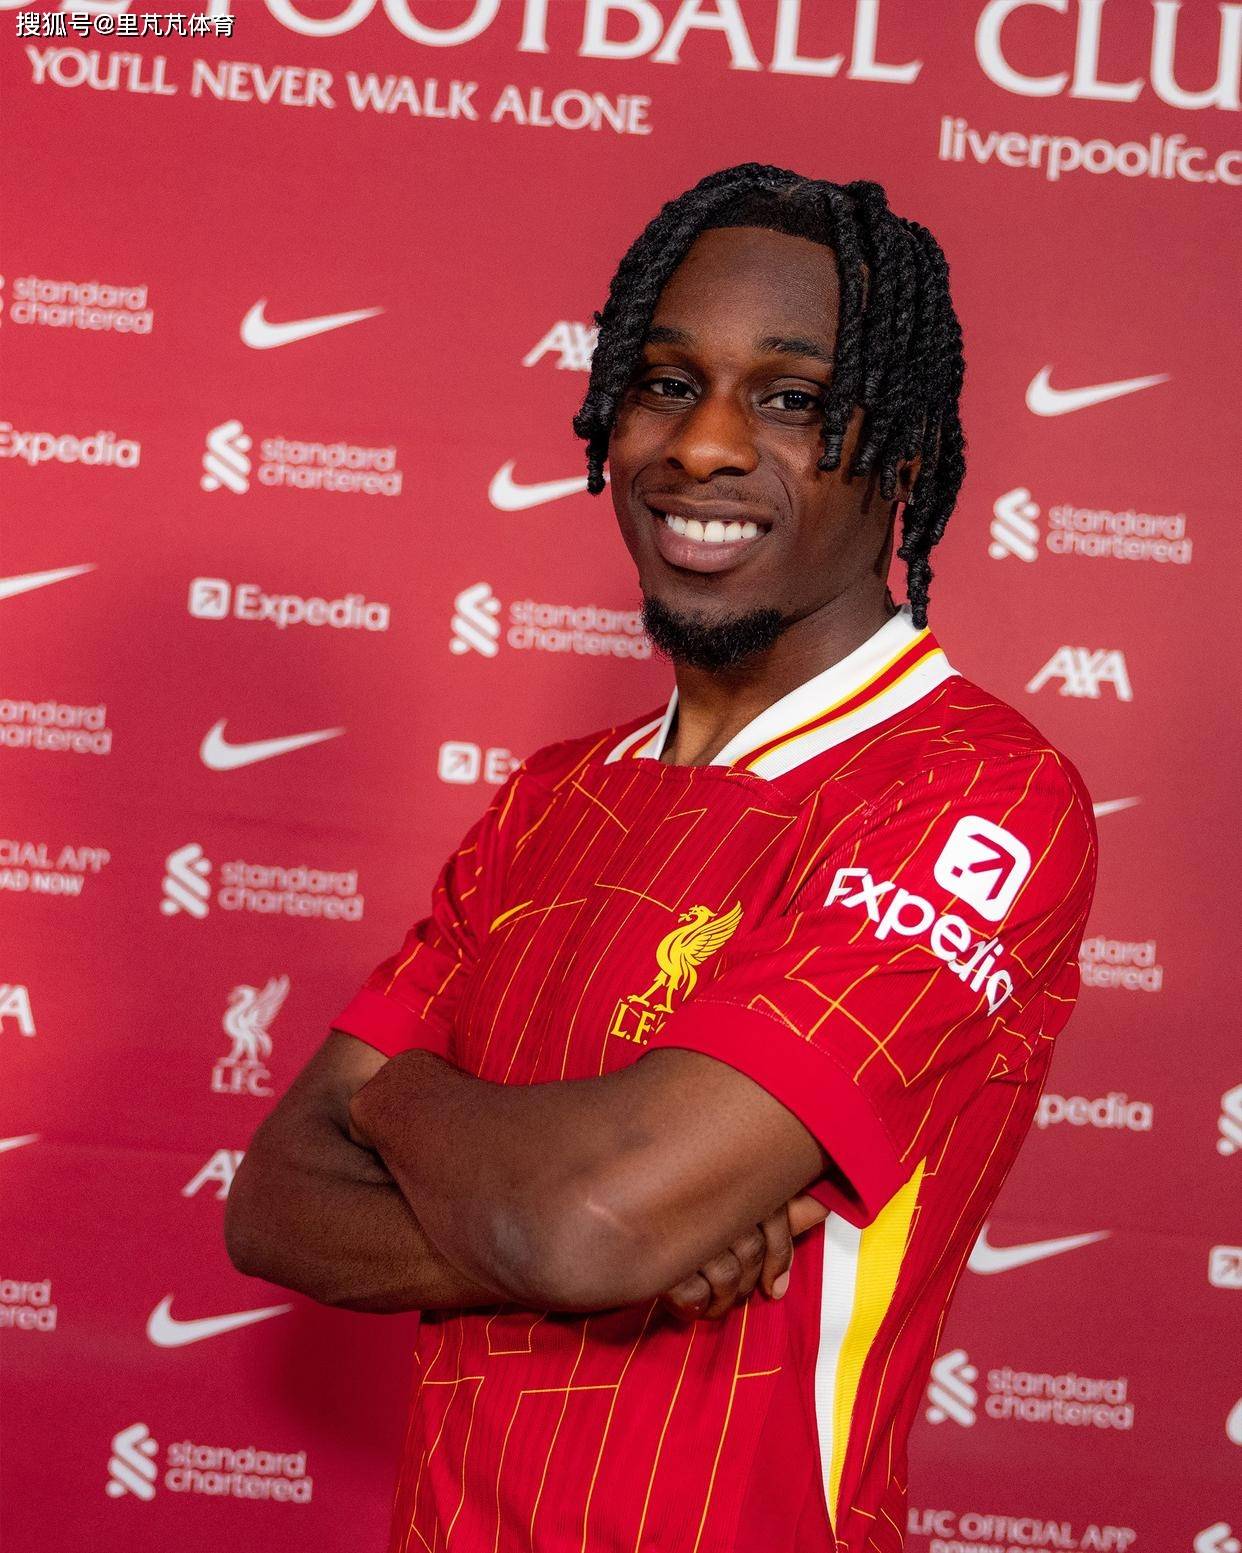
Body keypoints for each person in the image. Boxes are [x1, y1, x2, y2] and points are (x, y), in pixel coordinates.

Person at [225, 163, 1099, 1552]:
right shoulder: (549, 797)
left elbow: (588, 1224)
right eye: (666, 384)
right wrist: (569, 1215)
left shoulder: (969, 789)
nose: (702, 446)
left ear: (905, 456)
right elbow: (274, 1203)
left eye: (792, 398)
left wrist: (395, 1109)